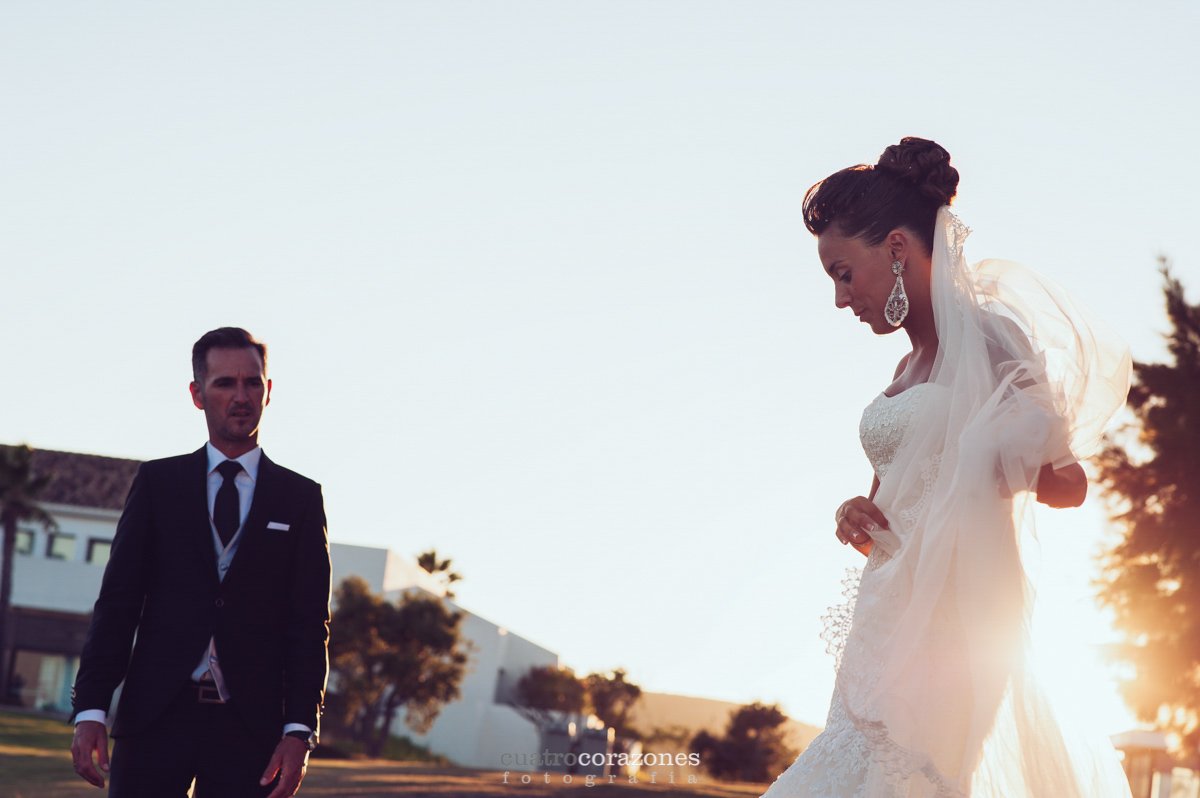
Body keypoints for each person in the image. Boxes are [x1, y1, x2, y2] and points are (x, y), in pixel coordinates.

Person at [761, 139, 1134, 796]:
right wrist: (854, 511)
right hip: (882, 621)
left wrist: (997, 454)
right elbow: (891, 492)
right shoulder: (903, 372)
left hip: (955, 632)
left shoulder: (993, 339)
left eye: (844, 273)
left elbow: (1069, 483)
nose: (842, 299)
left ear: (898, 248)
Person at [69, 327, 332, 798]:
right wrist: (91, 708)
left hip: (251, 730)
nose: (241, 396)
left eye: (253, 382)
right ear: (197, 394)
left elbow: (309, 625)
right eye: (224, 383)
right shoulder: (158, 483)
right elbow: (119, 603)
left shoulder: (300, 498)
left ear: (268, 392)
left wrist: (299, 731)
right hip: (155, 719)